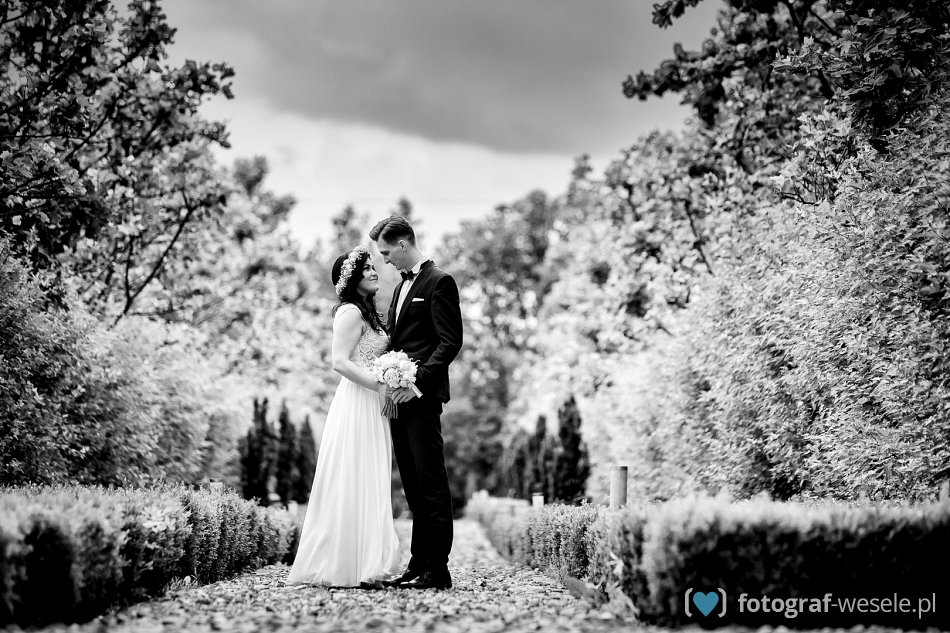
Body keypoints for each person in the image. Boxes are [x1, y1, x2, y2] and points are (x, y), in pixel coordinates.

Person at [286, 245, 402, 588]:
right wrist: (380, 386)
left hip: (373, 403)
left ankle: (367, 562)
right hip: (357, 403)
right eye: (365, 268)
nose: (374, 272)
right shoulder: (349, 312)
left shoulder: (369, 313)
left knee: (370, 475)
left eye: (373, 266)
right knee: (353, 474)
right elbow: (339, 361)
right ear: (350, 278)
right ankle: (344, 564)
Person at [370, 215, 463, 590]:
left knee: (431, 485)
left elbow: (449, 341)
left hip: (422, 400)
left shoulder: (440, 281)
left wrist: (418, 384)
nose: (385, 259)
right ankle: (418, 564)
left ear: (403, 243)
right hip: (398, 400)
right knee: (412, 486)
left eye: (386, 252)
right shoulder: (398, 289)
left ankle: (438, 570)